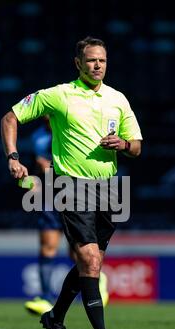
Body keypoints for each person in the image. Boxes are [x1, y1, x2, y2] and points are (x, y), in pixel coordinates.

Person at [1, 36, 142, 329]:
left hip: (109, 189)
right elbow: (10, 118)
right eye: (91, 60)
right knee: (90, 261)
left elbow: (137, 145)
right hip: (71, 186)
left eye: (102, 61)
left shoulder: (118, 100)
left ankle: (54, 318)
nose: (97, 66)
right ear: (78, 63)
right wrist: (13, 156)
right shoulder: (59, 95)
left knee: (88, 265)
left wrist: (122, 144)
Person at [23, 116, 109, 316]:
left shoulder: (75, 132)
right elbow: (39, 167)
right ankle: (44, 298)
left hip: (74, 196)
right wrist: (33, 181)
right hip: (50, 199)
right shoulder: (39, 137)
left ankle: (99, 280)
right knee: (48, 247)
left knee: (77, 254)